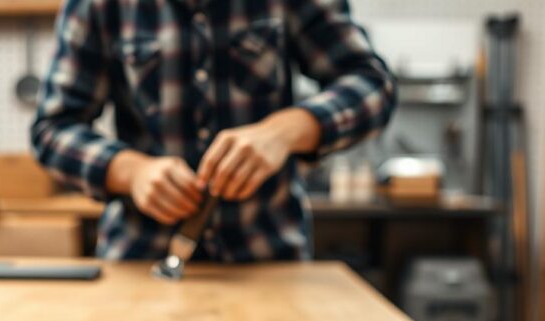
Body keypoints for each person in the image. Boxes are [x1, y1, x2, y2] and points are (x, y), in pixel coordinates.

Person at [31, 0, 396, 261]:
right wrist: (132, 171)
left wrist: (284, 132)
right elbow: (52, 129)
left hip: (268, 263)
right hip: (142, 260)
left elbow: (373, 85)